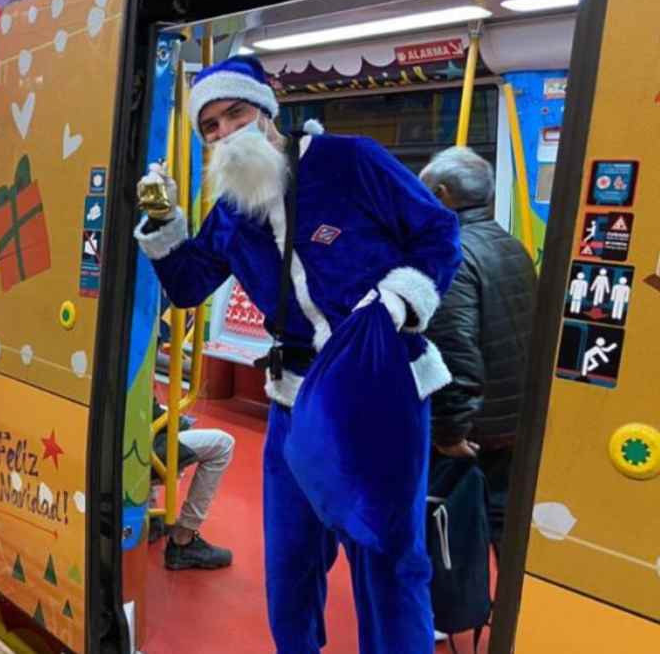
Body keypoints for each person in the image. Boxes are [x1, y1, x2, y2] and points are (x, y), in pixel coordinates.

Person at [134, 55, 461, 654]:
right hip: (294, 401)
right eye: (210, 126)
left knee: (387, 561)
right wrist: (164, 224)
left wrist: (399, 302)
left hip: (382, 393)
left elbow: (438, 230)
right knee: (289, 566)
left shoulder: (350, 161)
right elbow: (187, 284)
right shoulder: (231, 211)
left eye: (235, 113)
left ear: (267, 113)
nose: (225, 132)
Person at [419, 146, 537, 555]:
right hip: (514, 413)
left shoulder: (452, 255)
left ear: (443, 194)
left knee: (450, 530)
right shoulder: (511, 245)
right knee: (505, 523)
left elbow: (455, 350)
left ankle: (448, 616)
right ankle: (512, 614)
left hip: (475, 424)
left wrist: (451, 430)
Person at [147, 399, 235, 570]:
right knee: (223, 444)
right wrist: (181, 424)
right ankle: (183, 539)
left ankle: (150, 518)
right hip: (138, 454)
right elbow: (149, 411)